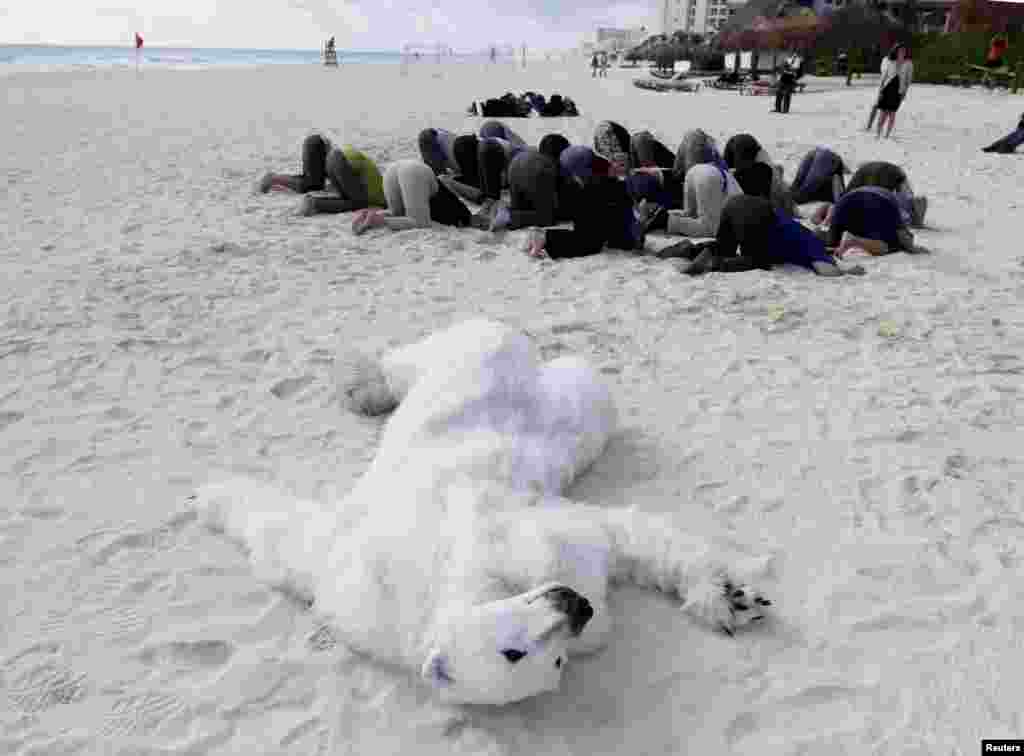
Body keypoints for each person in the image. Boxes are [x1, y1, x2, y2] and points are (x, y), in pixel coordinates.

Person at [674, 195, 864, 277]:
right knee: (758, 261)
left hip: (737, 204)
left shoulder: (799, 231)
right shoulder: (812, 244)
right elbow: (825, 270)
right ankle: (712, 264)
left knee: (725, 247)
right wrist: (846, 272)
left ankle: (687, 249)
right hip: (759, 219)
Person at [521, 148, 645, 260]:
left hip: (583, 182)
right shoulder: (607, 183)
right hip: (589, 185)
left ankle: (541, 236)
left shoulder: (598, 181)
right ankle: (544, 238)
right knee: (588, 243)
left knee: (588, 237)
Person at [256, 133, 386, 216]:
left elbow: (348, 184)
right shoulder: (382, 196)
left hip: (336, 153)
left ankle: (275, 179)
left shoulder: (381, 183)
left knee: (312, 184)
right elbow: (361, 201)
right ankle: (315, 204)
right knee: (357, 203)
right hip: (339, 157)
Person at [351, 159, 470, 235]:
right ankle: (376, 220)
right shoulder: (452, 207)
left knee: (397, 214)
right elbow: (423, 222)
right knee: (420, 222)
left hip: (392, 170)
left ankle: (369, 216)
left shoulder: (440, 193)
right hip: (414, 172)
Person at [817, 186, 927, 256]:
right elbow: (905, 241)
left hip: (844, 202)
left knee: (832, 244)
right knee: (890, 246)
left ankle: (817, 235)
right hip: (877, 203)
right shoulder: (895, 207)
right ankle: (854, 241)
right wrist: (916, 249)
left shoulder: (885, 193)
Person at [845, 161, 927, 227]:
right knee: (905, 200)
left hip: (881, 177)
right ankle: (915, 209)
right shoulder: (860, 178)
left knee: (893, 209)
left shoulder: (853, 190)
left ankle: (912, 214)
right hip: (894, 172)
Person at [873, 44, 913, 139]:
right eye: (900, 50)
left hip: (898, 90)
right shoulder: (889, 61)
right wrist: (880, 91)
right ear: (896, 51)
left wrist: (904, 93)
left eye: (904, 51)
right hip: (887, 89)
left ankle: (887, 134)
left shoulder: (909, 64)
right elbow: (884, 77)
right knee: (883, 113)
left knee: (892, 113)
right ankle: (878, 132)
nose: (902, 52)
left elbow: (908, 80)